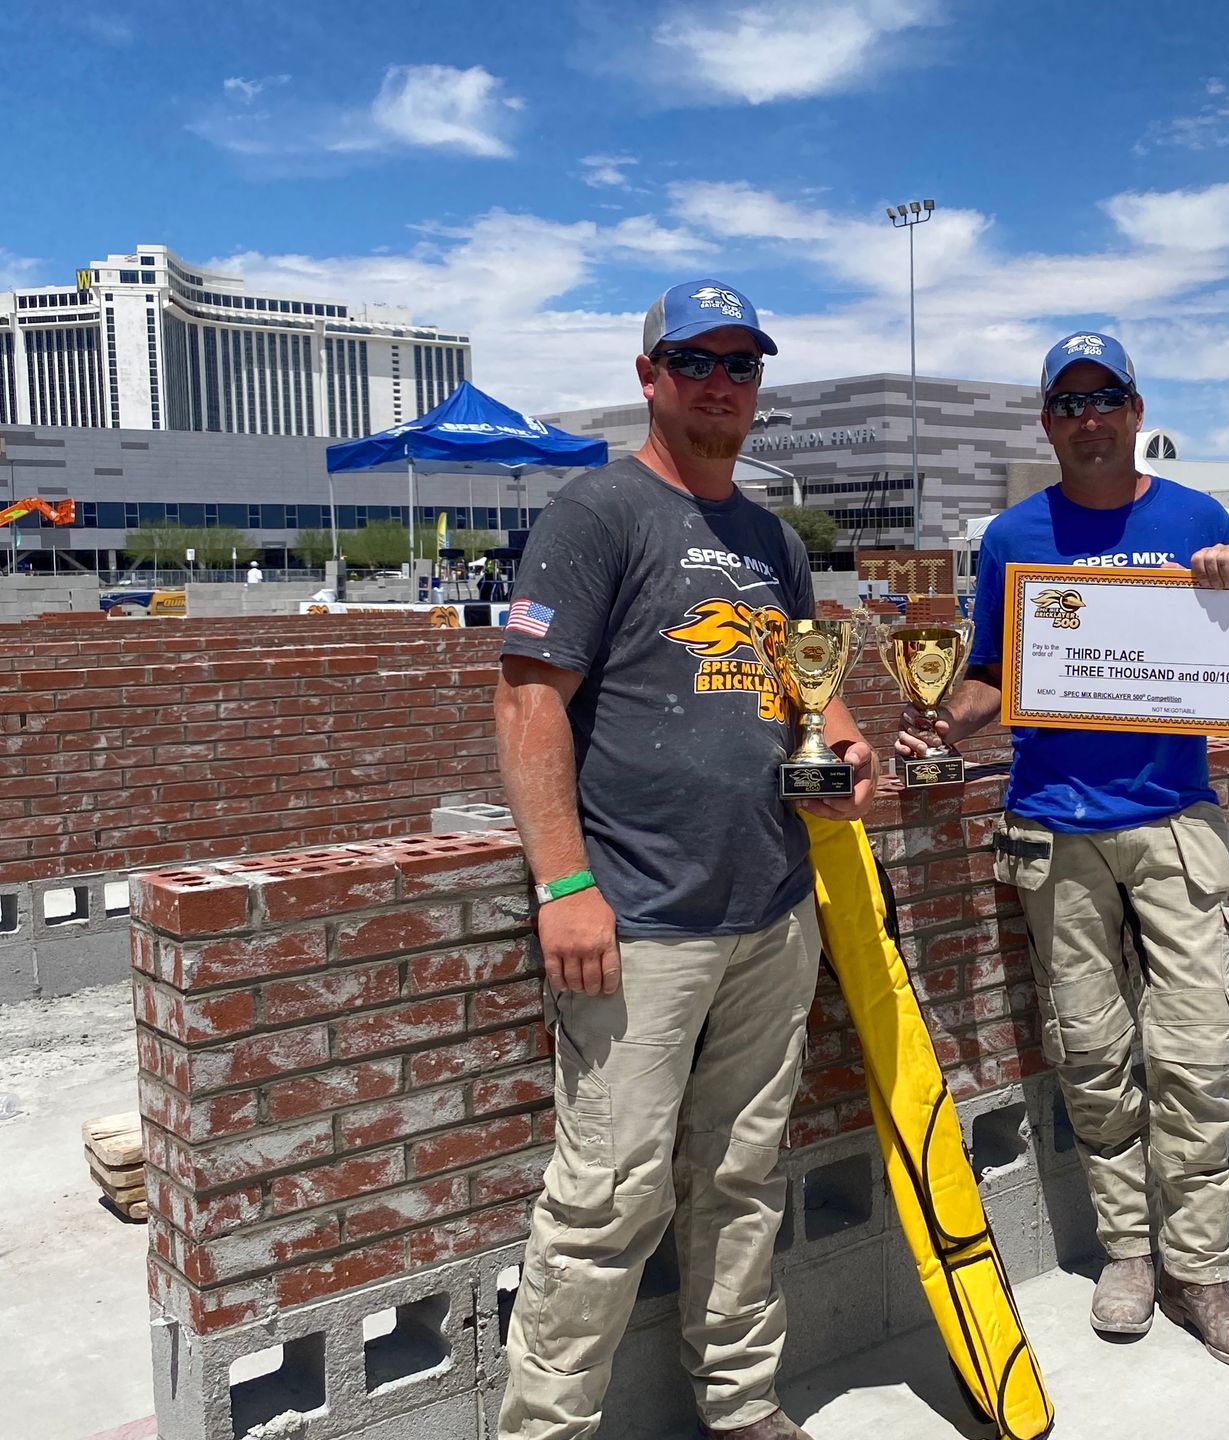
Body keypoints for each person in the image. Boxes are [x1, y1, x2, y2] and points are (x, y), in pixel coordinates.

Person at [494, 279, 875, 1440]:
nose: (721, 384)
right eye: (696, 363)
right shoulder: (598, 515)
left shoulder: (769, 538)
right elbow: (525, 706)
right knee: (608, 1198)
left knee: (745, 1176)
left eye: (741, 365)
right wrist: (564, 882)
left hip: (771, 907)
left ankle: (743, 1402)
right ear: (650, 378)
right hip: (641, 922)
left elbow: (803, 690)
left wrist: (848, 741)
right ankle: (545, 1429)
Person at [896, 331, 1229, 1369]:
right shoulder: (1012, 534)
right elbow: (990, 671)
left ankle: (1203, 1271)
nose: (1088, 416)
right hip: (1053, 822)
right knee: (1093, 1056)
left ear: (1134, 404)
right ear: (1047, 421)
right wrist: (943, 724)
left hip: (1171, 817)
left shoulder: (1194, 516)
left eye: (1104, 396)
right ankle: (1128, 1254)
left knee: (1198, 1055)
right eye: (1068, 402)